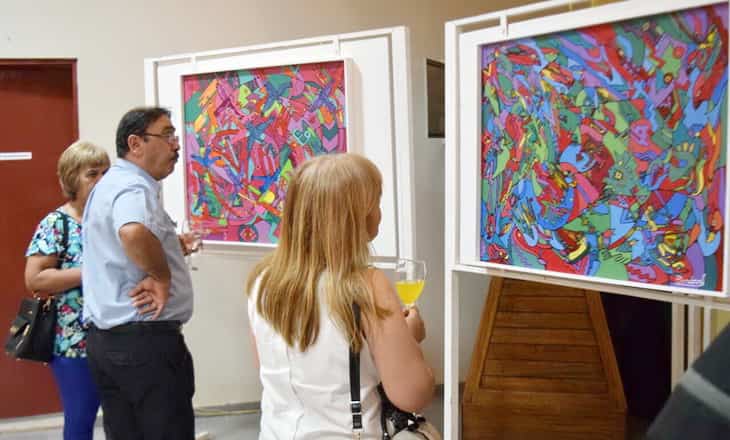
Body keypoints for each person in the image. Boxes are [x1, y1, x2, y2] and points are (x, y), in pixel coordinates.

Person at [246, 153, 435, 439]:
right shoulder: (367, 285)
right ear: (355, 218)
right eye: (376, 203)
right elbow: (412, 394)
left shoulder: (262, 282)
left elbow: (271, 369)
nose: (379, 213)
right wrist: (409, 339)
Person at [82, 107, 198, 439]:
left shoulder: (110, 184)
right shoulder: (134, 187)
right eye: (167, 135)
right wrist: (161, 277)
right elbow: (132, 232)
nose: (176, 145)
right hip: (144, 344)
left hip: (109, 341)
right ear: (135, 144)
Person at [24, 140, 110, 440]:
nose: (101, 180)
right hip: (74, 342)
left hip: (119, 336)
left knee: (123, 419)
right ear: (73, 179)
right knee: (80, 420)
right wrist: (92, 271)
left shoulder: (113, 218)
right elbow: (35, 279)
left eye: (106, 172)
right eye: (92, 174)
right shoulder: (56, 223)